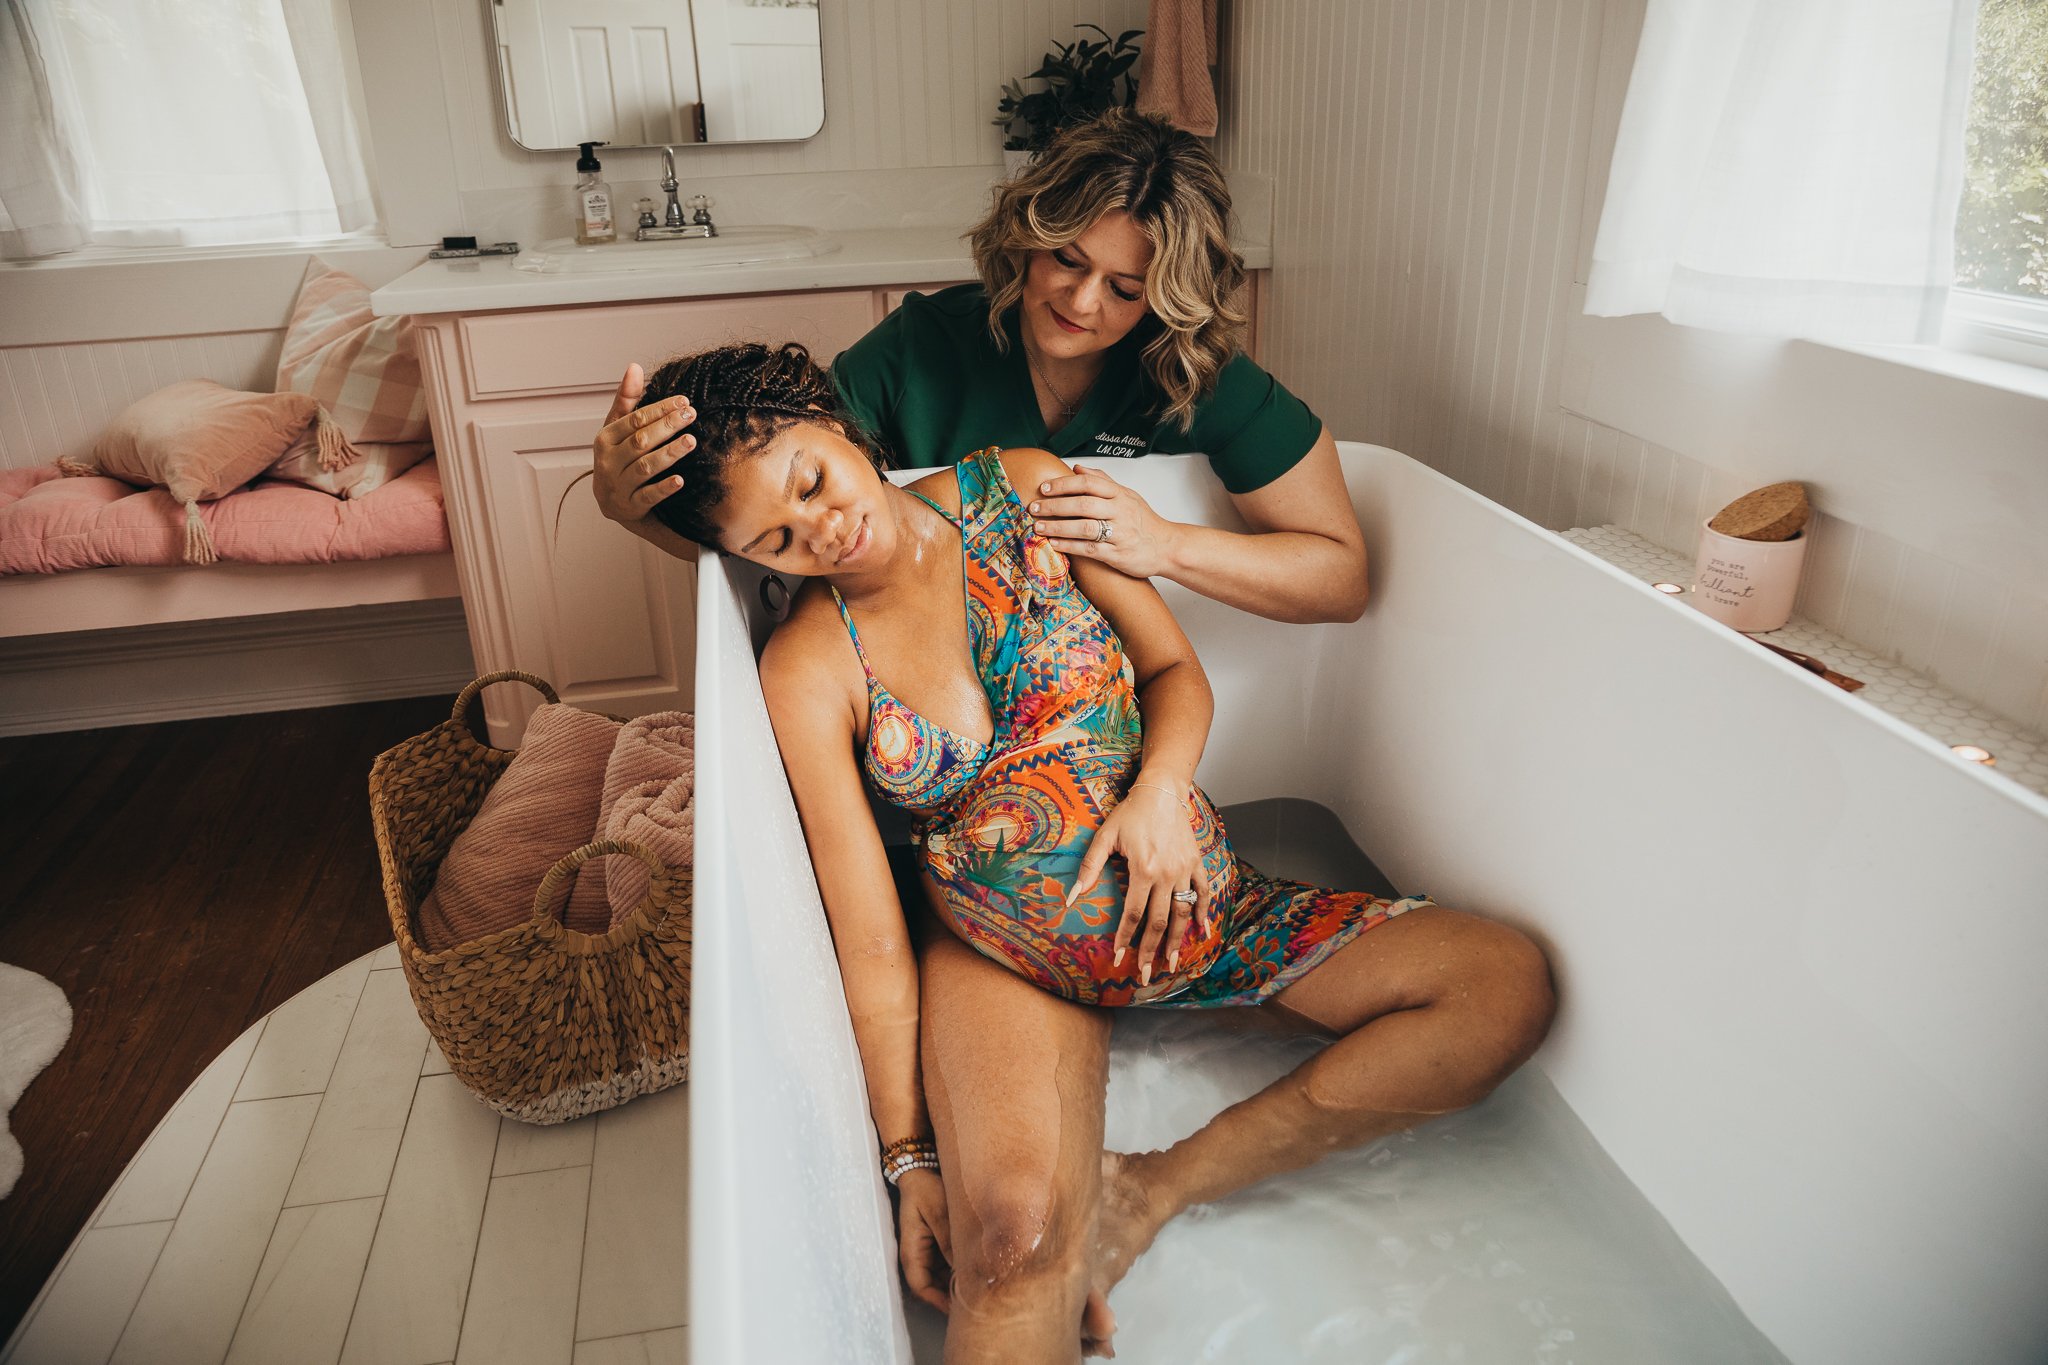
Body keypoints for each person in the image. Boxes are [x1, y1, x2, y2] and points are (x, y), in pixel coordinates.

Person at [632, 340, 1557, 1362]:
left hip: (1201, 912)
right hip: (1004, 961)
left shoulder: (1023, 490)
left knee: (1500, 986)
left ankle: (1154, 1186)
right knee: (1010, 1252)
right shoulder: (807, 668)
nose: (821, 530)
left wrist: (1159, 792)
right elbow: (870, 940)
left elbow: (1172, 671)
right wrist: (906, 1159)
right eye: (775, 538)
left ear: (837, 426)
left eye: (810, 482)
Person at [588, 107, 1369, 625]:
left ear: (1166, 300)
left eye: (1125, 289)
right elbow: (772, 529)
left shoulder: (1195, 371)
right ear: (1027, 234)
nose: (1081, 301)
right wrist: (633, 510)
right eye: (1066, 259)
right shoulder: (919, 348)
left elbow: (1340, 578)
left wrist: (1163, 543)